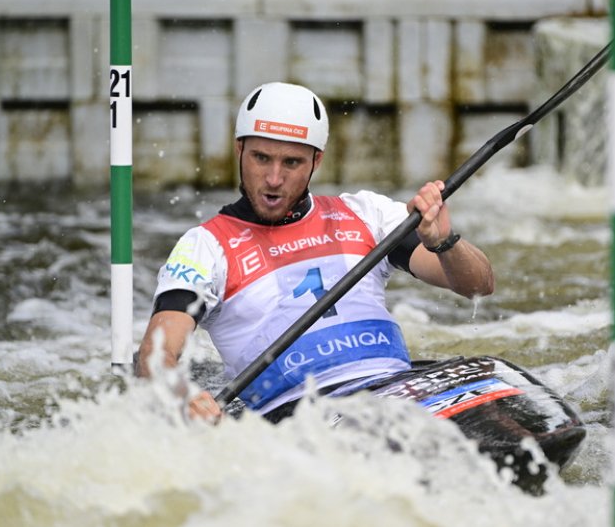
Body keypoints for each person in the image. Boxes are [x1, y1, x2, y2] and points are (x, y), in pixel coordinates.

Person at [135, 82, 494, 422]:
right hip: (298, 415)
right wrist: (182, 397)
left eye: (291, 163)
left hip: (399, 390)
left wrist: (443, 241)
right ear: (238, 150)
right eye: (261, 158)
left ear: (316, 161)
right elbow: (156, 353)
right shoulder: (205, 246)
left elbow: (478, 285)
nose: (274, 179)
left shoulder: (366, 213)